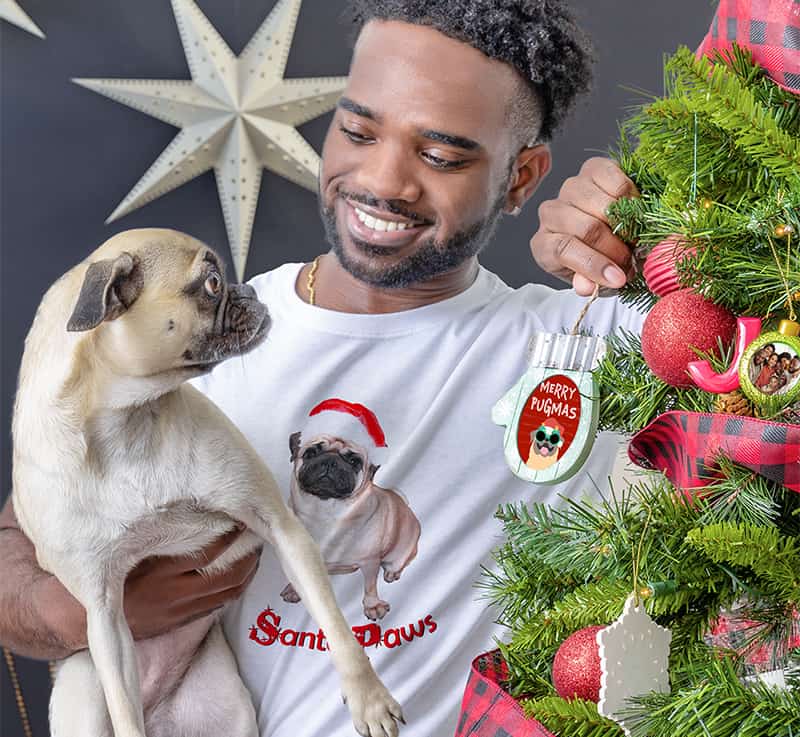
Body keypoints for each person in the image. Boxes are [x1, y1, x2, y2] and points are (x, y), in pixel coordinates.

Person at [0, 2, 642, 735]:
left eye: (440, 156)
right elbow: (20, 542)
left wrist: (639, 229)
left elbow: (742, 313)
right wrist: (86, 609)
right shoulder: (196, 345)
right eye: (359, 131)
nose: (384, 180)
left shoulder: (578, 341)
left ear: (521, 177)